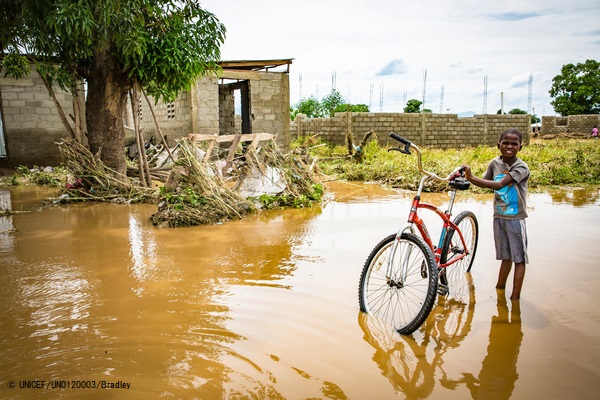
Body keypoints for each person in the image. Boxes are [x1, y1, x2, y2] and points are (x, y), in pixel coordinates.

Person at [462, 128, 530, 300]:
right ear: (498, 145)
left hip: (515, 218)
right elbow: (487, 182)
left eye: (514, 144)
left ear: (520, 147)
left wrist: (470, 177)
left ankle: (515, 298)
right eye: (506, 143)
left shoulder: (521, 167)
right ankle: (500, 289)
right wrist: (465, 177)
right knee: (505, 257)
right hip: (499, 217)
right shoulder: (494, 163)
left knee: (519, 259)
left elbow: (499, 185)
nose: (509, 146)